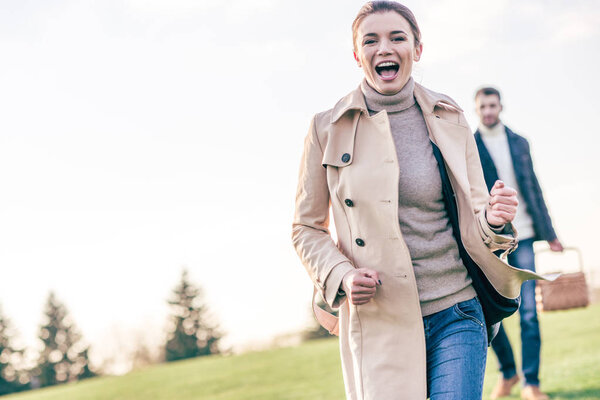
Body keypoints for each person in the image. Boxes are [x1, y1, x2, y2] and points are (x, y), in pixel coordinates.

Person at [292, 2, 546, 399]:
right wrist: (341, 274)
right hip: (380, 321)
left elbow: (477, 217)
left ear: (417, 48)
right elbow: (306, 227)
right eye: (370, 40)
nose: (385, 49)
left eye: (397, 37)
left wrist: (494, 219)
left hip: (457, 313)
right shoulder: (327, 128)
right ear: (357, 55)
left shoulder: (449, 116)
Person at [474, 87, 563, 400]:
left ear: (500, 106)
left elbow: (534, 188)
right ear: (477, 109)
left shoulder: (519, 142)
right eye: (482, 106)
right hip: (491, 238)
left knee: (528, 314)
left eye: (492, 105)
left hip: (523, 235)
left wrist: (550, 234)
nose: (487, 111)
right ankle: (508, 373)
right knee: (490, 311)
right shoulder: (470, 144)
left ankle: (531, 383)